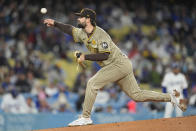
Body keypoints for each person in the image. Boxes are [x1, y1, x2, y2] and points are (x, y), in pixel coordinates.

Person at [43, 8, 187, 126]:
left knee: (92, 83)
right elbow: (70, 29)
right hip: (118, 65)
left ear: (88, 19)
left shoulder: (100, 34)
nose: (78, 19)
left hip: (118, 64)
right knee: (136, 95)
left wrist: (85, 57)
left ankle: (86, 117)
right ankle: (171, 97)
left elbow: (105, 55)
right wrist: (55, 23)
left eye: (80, 17)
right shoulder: (82, 33)